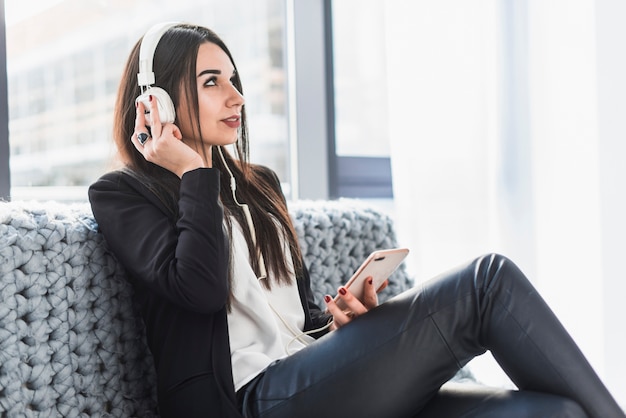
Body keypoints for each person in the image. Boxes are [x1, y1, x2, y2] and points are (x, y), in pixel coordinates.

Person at [88, 22, 625, 418]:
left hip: (311, 383)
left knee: (551, 414)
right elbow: (200, 288)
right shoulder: (122, 194)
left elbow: (289, 324)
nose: (237, 97)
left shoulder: (258, 186)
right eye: (211, 83)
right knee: (486, 282)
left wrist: (340, 324)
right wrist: (191, 173)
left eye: (234, 79)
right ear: (154, 100)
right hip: (249, 403)